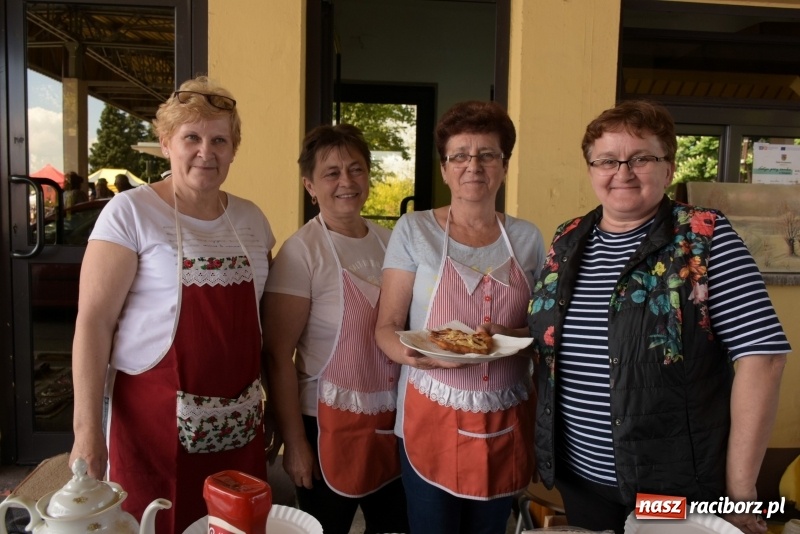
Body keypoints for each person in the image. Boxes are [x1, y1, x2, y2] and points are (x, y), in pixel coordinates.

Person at [527, 100, 789, 534]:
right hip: (582, 477)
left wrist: (740, 494)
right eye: (607, 160)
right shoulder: (568, 238)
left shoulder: (704, 237)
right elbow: (565, 334)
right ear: (592, 169)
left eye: (642, 158)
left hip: (667, 487)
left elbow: (764, 358)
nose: (623, 172)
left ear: (668, 167)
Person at [69, 76, 275, 533]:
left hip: (237, 424)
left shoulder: (252, 219)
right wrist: (86, 434)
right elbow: (94, 323)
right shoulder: (130, 213)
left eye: (220, 139)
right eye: (192, 138)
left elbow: (260, 325)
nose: (207, 151)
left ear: (234, 148)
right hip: (152, 426)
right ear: (166, 144)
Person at [374, 100, 546, 534]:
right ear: (445, 167)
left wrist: (510, 333)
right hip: (431, 409)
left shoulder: (526, 238)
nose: (474, 165)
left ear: (504, 166)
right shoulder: (414, 230)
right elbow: (387, 327)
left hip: (505, 415)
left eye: (487, 154)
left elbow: (543, 328)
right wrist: (421, 358)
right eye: (461, 156)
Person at [263, 124, 409, 534]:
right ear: (310, 185)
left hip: (391, 420)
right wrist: (296, 444)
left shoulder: (391, 242)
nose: (346, 181)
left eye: (356, 169)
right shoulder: (301, 252)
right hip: (324, 424)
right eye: (331, 173)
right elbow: (277, 355)